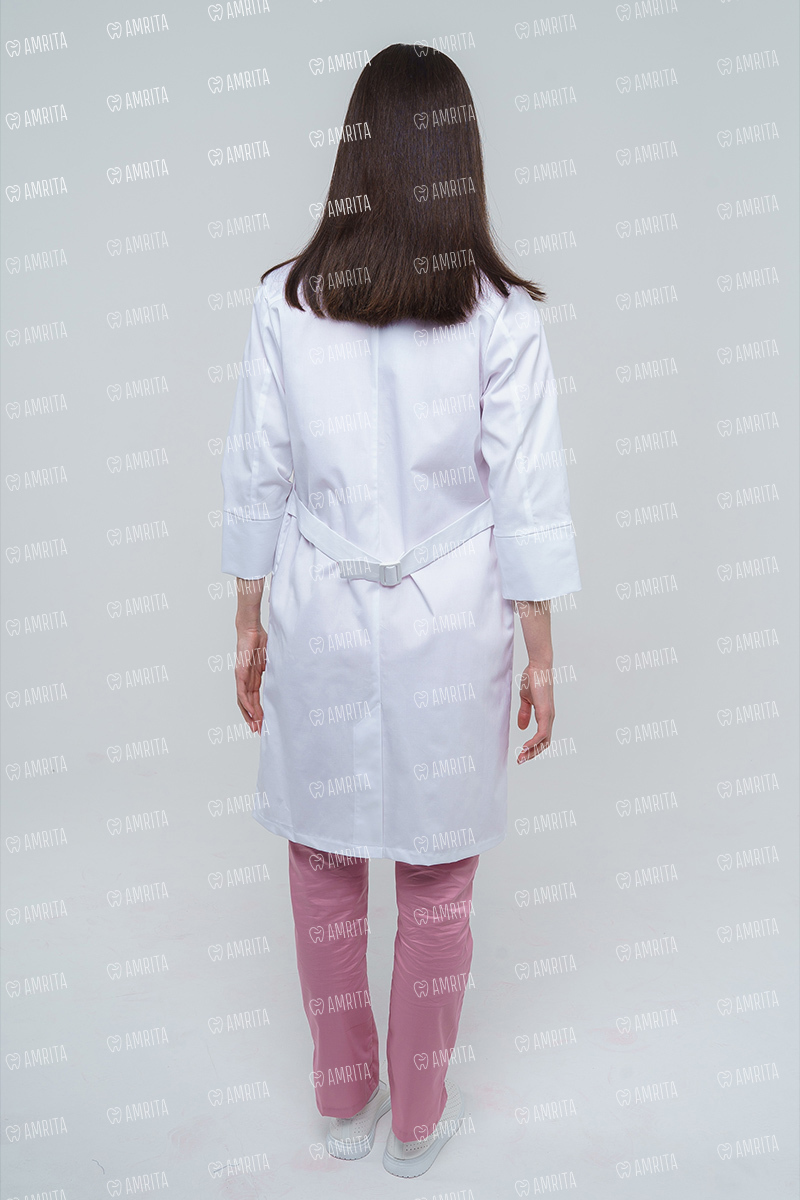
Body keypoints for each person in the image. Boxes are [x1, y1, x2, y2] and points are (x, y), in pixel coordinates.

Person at [219, 42, 581, 1179]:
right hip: (449, 623)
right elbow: (525, 492)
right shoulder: (501, 316)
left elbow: (256, 472)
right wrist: (541, 654)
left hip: (320, 610)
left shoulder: (285, 302)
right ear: (457, 162)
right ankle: (417, 1120)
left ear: (355, 157)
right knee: (438, 877)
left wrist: (246, 619)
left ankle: (346, 1104)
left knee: (323, 864)